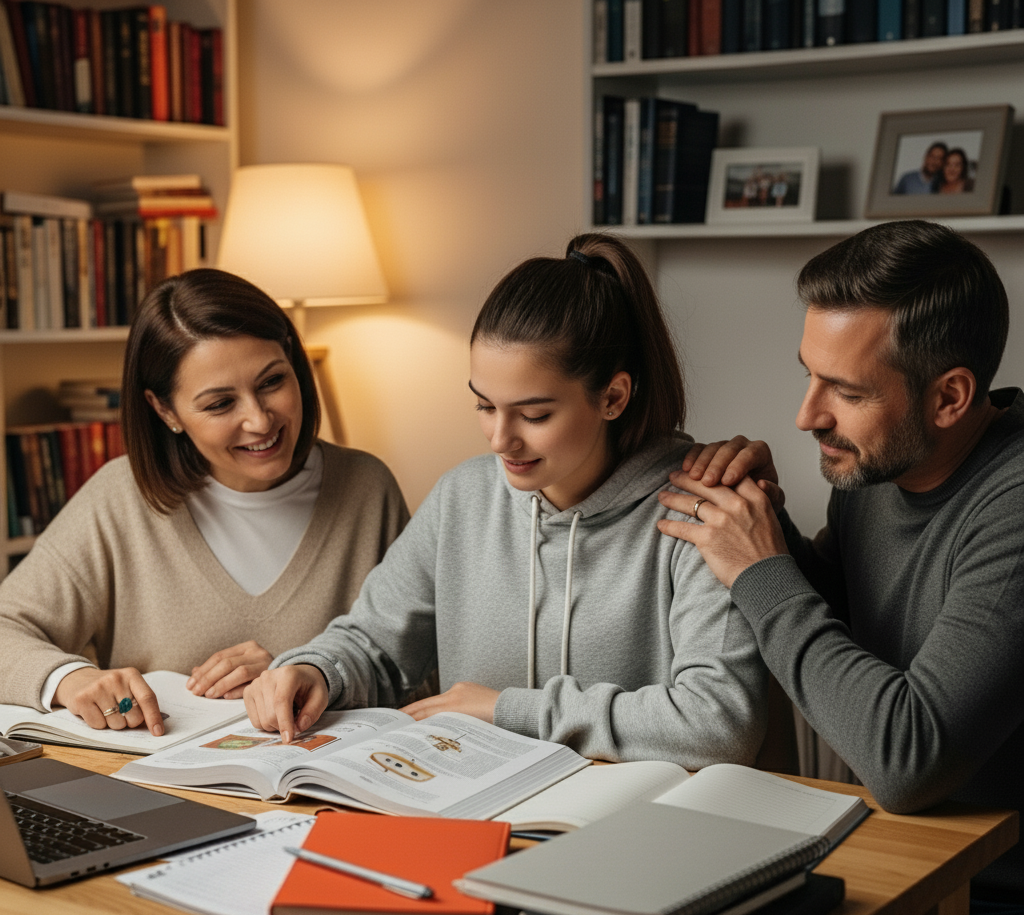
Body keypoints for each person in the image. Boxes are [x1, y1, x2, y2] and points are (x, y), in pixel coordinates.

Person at [658, 220, 1023, 915]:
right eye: (809, 377)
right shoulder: (882, 464)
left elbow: (907, 758)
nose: (806, 416)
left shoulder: (1014, 507)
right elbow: (853, 623)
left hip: (999, 909)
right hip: (900, 865)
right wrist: (770, 520)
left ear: (951, 395)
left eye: (846, 393)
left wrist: (757, 568)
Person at [242, 234, 768, 767]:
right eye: (484, 405)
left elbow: (718, 722)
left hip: (633, 826)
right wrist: (315, 670)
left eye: (534, 415)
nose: (499, 440)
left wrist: (510, 711)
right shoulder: (462, 497)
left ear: (613, 397)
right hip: (474, 805)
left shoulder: (702, 511)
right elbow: (374, 643)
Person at [0, 269, 409, 736]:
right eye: (220, 405)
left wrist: (309, 674)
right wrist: (71, 679)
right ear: (165, 410)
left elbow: (414, 672)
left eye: (272, 381)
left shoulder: (367, 487)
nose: (259, 420)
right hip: (159, 794)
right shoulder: (120, 498)